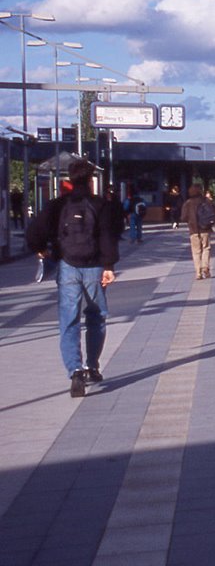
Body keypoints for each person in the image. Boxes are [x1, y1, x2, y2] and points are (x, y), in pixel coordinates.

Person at [26, 159, 119, 398]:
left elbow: (35, 231)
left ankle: (75, 370)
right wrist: (109, 265)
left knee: (69, 319)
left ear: (69, 179)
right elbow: (109, 235)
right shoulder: (101, 205)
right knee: (96, 318)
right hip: (95, 267)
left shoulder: (58, 205)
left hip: (67, 265)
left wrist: (40, 249)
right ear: (90, 180)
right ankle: (92, 366)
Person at [181, 184, 213, 279]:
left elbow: (183, 217)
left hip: (193, 230)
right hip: (205, 229)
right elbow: (213, 214)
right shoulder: (206, 201)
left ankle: (198, 273)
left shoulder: (188, 203)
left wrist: (190, 221)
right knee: (206, 248)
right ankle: (205, 268)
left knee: (196, 251)